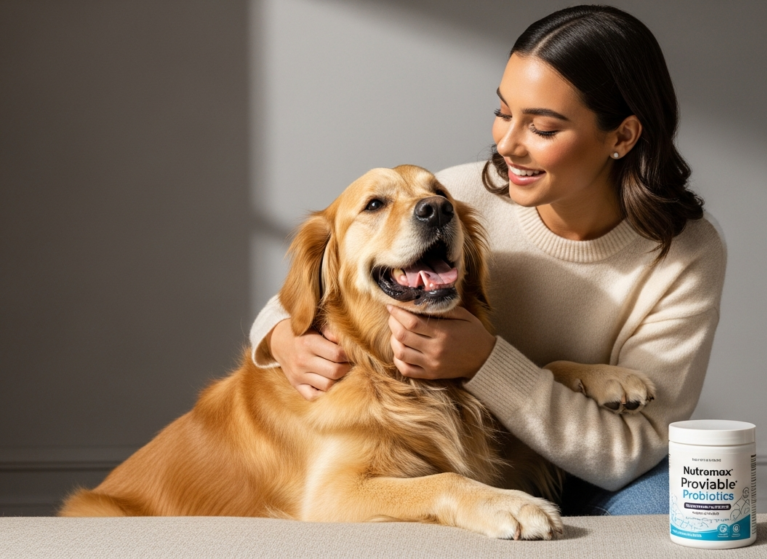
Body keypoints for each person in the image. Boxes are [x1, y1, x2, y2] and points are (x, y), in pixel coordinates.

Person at [248, 5, 725, 516]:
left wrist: (484, 362)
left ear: (622, 137)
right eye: (503, 112)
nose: (507, 145)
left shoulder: (685, 255)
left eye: (541, 127)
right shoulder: (448, 198)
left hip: (592, 464)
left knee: (671, 503)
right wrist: (281, 338)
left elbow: (630, 449)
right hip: (477, 442)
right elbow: (311, 287)